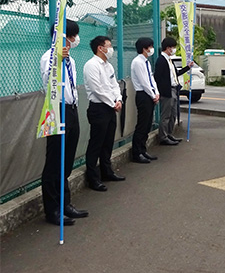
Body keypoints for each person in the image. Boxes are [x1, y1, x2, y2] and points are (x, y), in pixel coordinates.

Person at [40, 20, 88, 226]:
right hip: (55, 110)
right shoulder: (49, 57)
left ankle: (65, 203)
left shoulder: (71, 60)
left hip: (71, 109)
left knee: (67, 160)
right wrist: (57, 61)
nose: (75, 40)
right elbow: (48, 84)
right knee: (54, 161)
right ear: (61, 36)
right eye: (71, 35)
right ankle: (52, 210)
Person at [83, 36, 125, 192]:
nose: (111, 48)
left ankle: (107, 172)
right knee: (96, 143)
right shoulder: (91, 65)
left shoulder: (108, 66)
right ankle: (93, 178)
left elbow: (114, 85)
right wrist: (113, 102)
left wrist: (118, 99)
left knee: (108, 142)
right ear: (100, 48)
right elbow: (97, 89)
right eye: (109, 45)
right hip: (99, 108)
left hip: (110, 107)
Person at [154, 37, 193, 145]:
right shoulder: (161, 60)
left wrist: (187, 68)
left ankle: (169, 134)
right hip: (167, 91)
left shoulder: (169, 60)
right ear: (168, 48)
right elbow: (158, 77)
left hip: (174, 89)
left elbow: (176, 74)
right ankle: (163, 136)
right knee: (166, 115)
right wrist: (161, 91)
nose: (174, 49)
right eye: (173, 47)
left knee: (173, 114)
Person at [131, 37, 159, 163]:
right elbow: (144, 82)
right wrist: (153, 95)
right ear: (144, 48)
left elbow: (151, 78)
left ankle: (143, 150)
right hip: (143, 95)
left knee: (148, 124)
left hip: (149, 94)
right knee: (142, 125)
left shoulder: (146, 62)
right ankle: (137, 153)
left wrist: (156, 92)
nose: (151, 49)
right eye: (150, 47)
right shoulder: (137, 62)